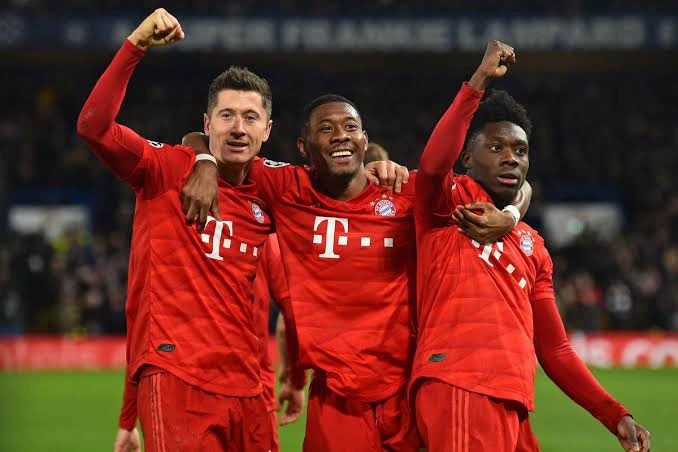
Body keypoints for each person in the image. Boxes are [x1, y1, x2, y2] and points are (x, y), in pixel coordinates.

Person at [182, 89, 531, 449]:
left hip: (406, 394)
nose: (340, 136)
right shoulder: (287, 187)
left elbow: (512, 183)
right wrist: (205, 162)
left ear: (364, 139)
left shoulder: (404, 190)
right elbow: (203, 141)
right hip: (338, 399)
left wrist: (510, 214)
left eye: (350, 127)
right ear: (303, 147)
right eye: (326, 129)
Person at [411, 40, 651, 452]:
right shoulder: (447, 205)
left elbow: (554, 348)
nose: (511, 158)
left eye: (520, 151)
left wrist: (614, 413)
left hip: (513, 399)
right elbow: (433, 166)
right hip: (460, 384)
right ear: (467, 158)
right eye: (496, 148)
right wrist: (479, 80)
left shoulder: (532, 244)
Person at [78, 8, 277, 451]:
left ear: (266, 130)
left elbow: (342, 191)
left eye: (249, 117)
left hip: (248, 387)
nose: (238, 128)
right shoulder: (164, 169)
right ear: (207, 125)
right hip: (177, 375)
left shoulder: (274, 189)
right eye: (226, 116)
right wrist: (136, 45)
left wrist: (381, 169)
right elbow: (93, 128)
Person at [254, 233, 306, 452]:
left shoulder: (177, 227)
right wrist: (296, 380)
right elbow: (291, 316)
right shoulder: (262, 232)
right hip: (254, 385)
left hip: (186, 376)